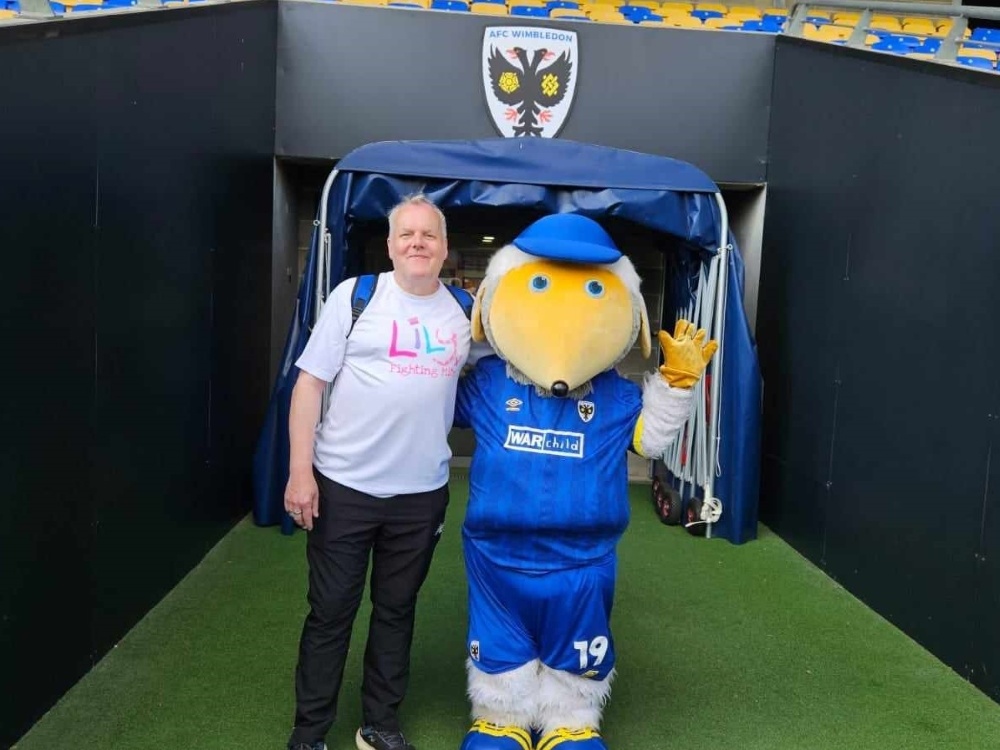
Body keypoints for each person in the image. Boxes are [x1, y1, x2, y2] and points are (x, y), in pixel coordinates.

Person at [284, 195, 472, 750]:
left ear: (443, 248)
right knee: (331, 612)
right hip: (343, 487)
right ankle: (310, 734)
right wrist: (300, 472)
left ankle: (379, 727)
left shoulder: (465, 312)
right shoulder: (356, 298)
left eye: (429, 235)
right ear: (390, 246)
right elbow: (309, 386)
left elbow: (508, 371)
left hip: (420, 496)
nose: (418, 243)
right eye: (407, 234)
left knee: (396, 611)